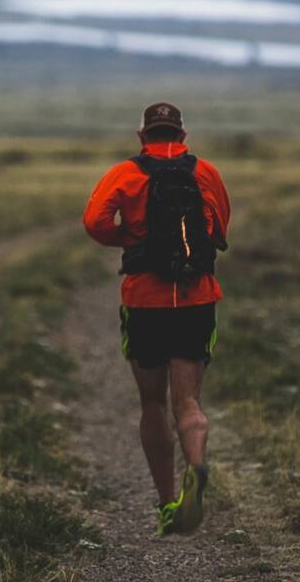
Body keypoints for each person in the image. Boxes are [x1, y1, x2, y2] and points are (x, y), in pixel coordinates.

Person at [82, 102, 232, 536]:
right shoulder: (205, 172)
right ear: (181, 135)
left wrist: (130, 237)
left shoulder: (126, 173)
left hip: (144, 300)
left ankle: (168, 504)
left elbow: (94, 222)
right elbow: (220, 227)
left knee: (152, 403)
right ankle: (198, 468)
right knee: (189, 403)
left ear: (142, 136)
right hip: (196, 298)